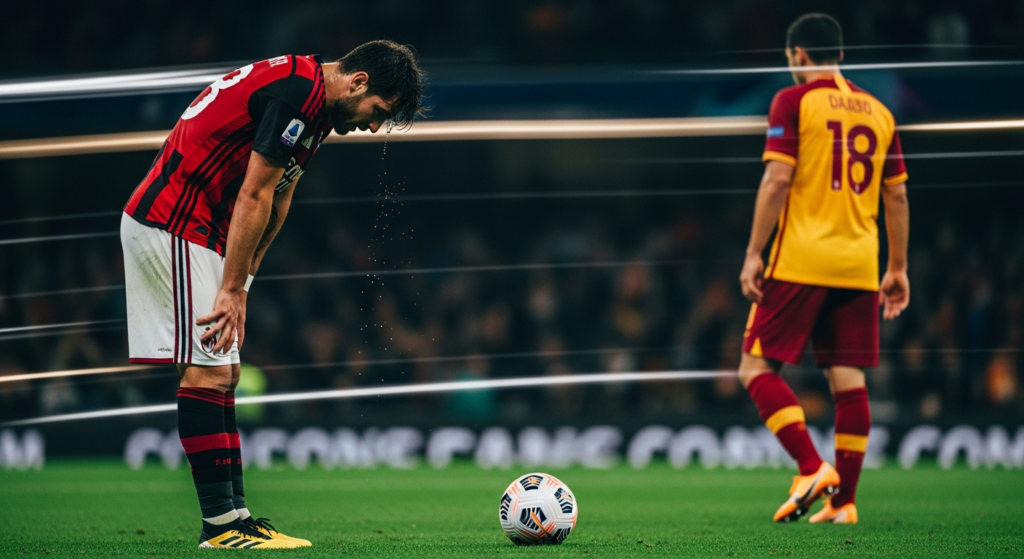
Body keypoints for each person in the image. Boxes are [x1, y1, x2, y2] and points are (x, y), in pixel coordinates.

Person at [120, 40, 425, 549]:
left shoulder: (315, 106)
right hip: (173, 220)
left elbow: (280, 194)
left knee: (226, 373)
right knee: (208, 371)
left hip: (199, 229)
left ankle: (237, 517)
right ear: (359, 82)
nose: (374, 127)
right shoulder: (299, 94)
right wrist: (231, 288)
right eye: (378, 112)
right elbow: (254, 193)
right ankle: (221, 527)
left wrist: (244, 282)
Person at [736, 14, 910, 524]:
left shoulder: (793, 101)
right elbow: (897, 196)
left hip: (802, 257)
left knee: (754, 368)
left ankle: (812, 468)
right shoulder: (880, 112)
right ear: (840, 55)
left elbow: (777, 180)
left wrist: (753, 252)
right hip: (858, 264)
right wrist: (897, 267)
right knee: (849, 380)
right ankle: (844, 502)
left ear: (798, 55)